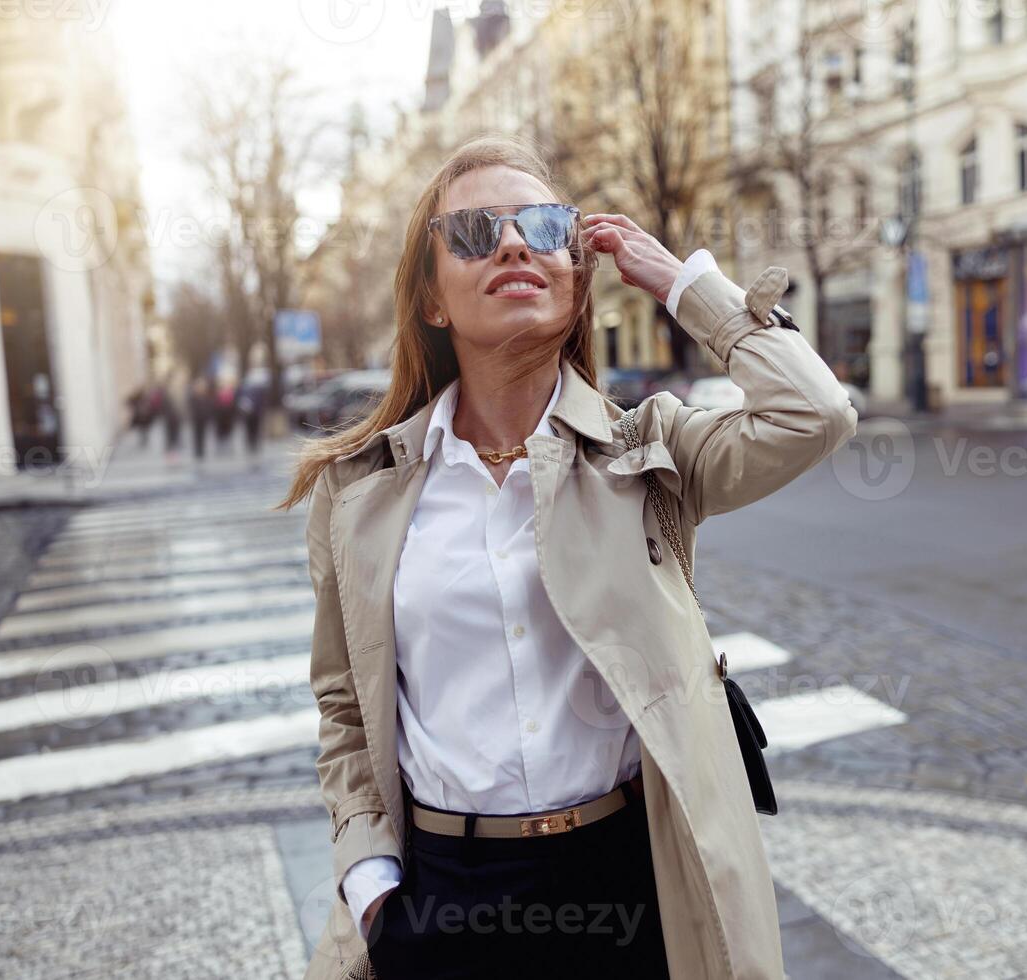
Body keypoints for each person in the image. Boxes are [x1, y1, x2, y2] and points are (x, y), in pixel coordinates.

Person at [277, 134, 858, 980]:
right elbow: (343, 702)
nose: (514, 244)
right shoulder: (358, 491)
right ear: (433, 299)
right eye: (475, 232)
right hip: (443, 897)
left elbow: (817, 415)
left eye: (546, 227)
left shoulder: (648, 449)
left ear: (577, 276)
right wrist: (371, 882)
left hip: (630, 884)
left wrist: (680, 283)